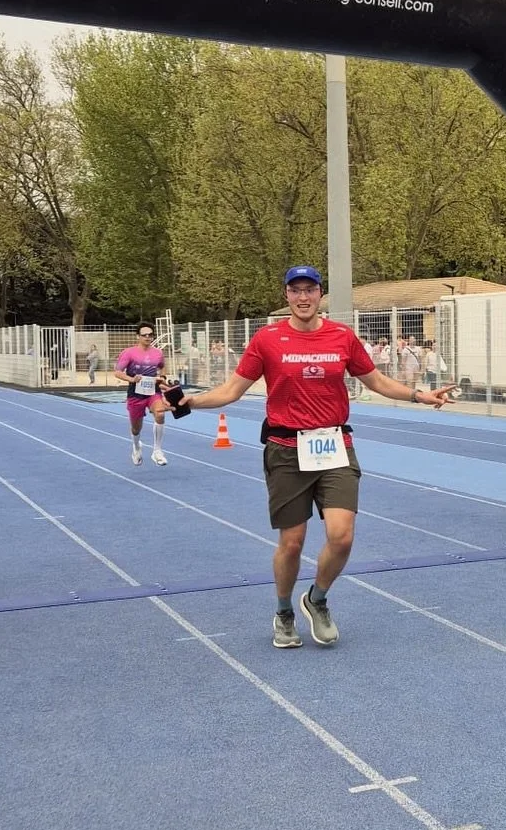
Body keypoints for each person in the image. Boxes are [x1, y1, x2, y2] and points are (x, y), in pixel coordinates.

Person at [168, 264, 455, 650]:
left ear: (320, 294)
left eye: (310, 289)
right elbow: (234, 389)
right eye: (295, 290)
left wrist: (421, 396)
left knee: (342, 536)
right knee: (293, 542)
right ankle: (284, 611)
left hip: (334, 446)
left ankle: (316, 600)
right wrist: (189, 403)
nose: (303, 297)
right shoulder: (267, 339)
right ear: (286, 295)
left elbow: (377, 382)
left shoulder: (342, 336)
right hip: (286, 449)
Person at [113, 322, 172, 467]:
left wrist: (162, 378)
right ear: (138, 336)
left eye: (150, 335)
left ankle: (157, 450)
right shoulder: (129, 352)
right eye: (144, 335)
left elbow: (162, 367)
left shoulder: (158, 352)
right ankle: (136, 446)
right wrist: (132, 379)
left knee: (160, 414)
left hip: (153, 390)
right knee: (136, 428)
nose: (147, 337)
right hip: (136, 392)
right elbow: (117, 372)